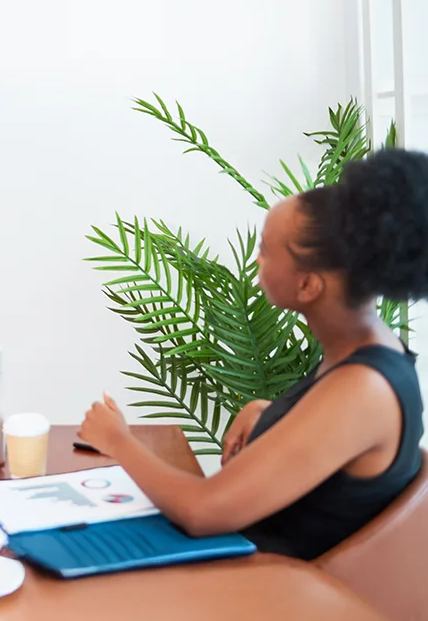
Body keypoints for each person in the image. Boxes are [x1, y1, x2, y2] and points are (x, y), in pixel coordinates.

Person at [79, 147, 428, 560]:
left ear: (308, 285)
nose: (256, 259)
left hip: (270, 587)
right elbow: (331, 443)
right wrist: (271, 412)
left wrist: (118, 440)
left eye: (265, 249)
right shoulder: (372, 347)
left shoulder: (363, 389)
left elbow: (202, 511)